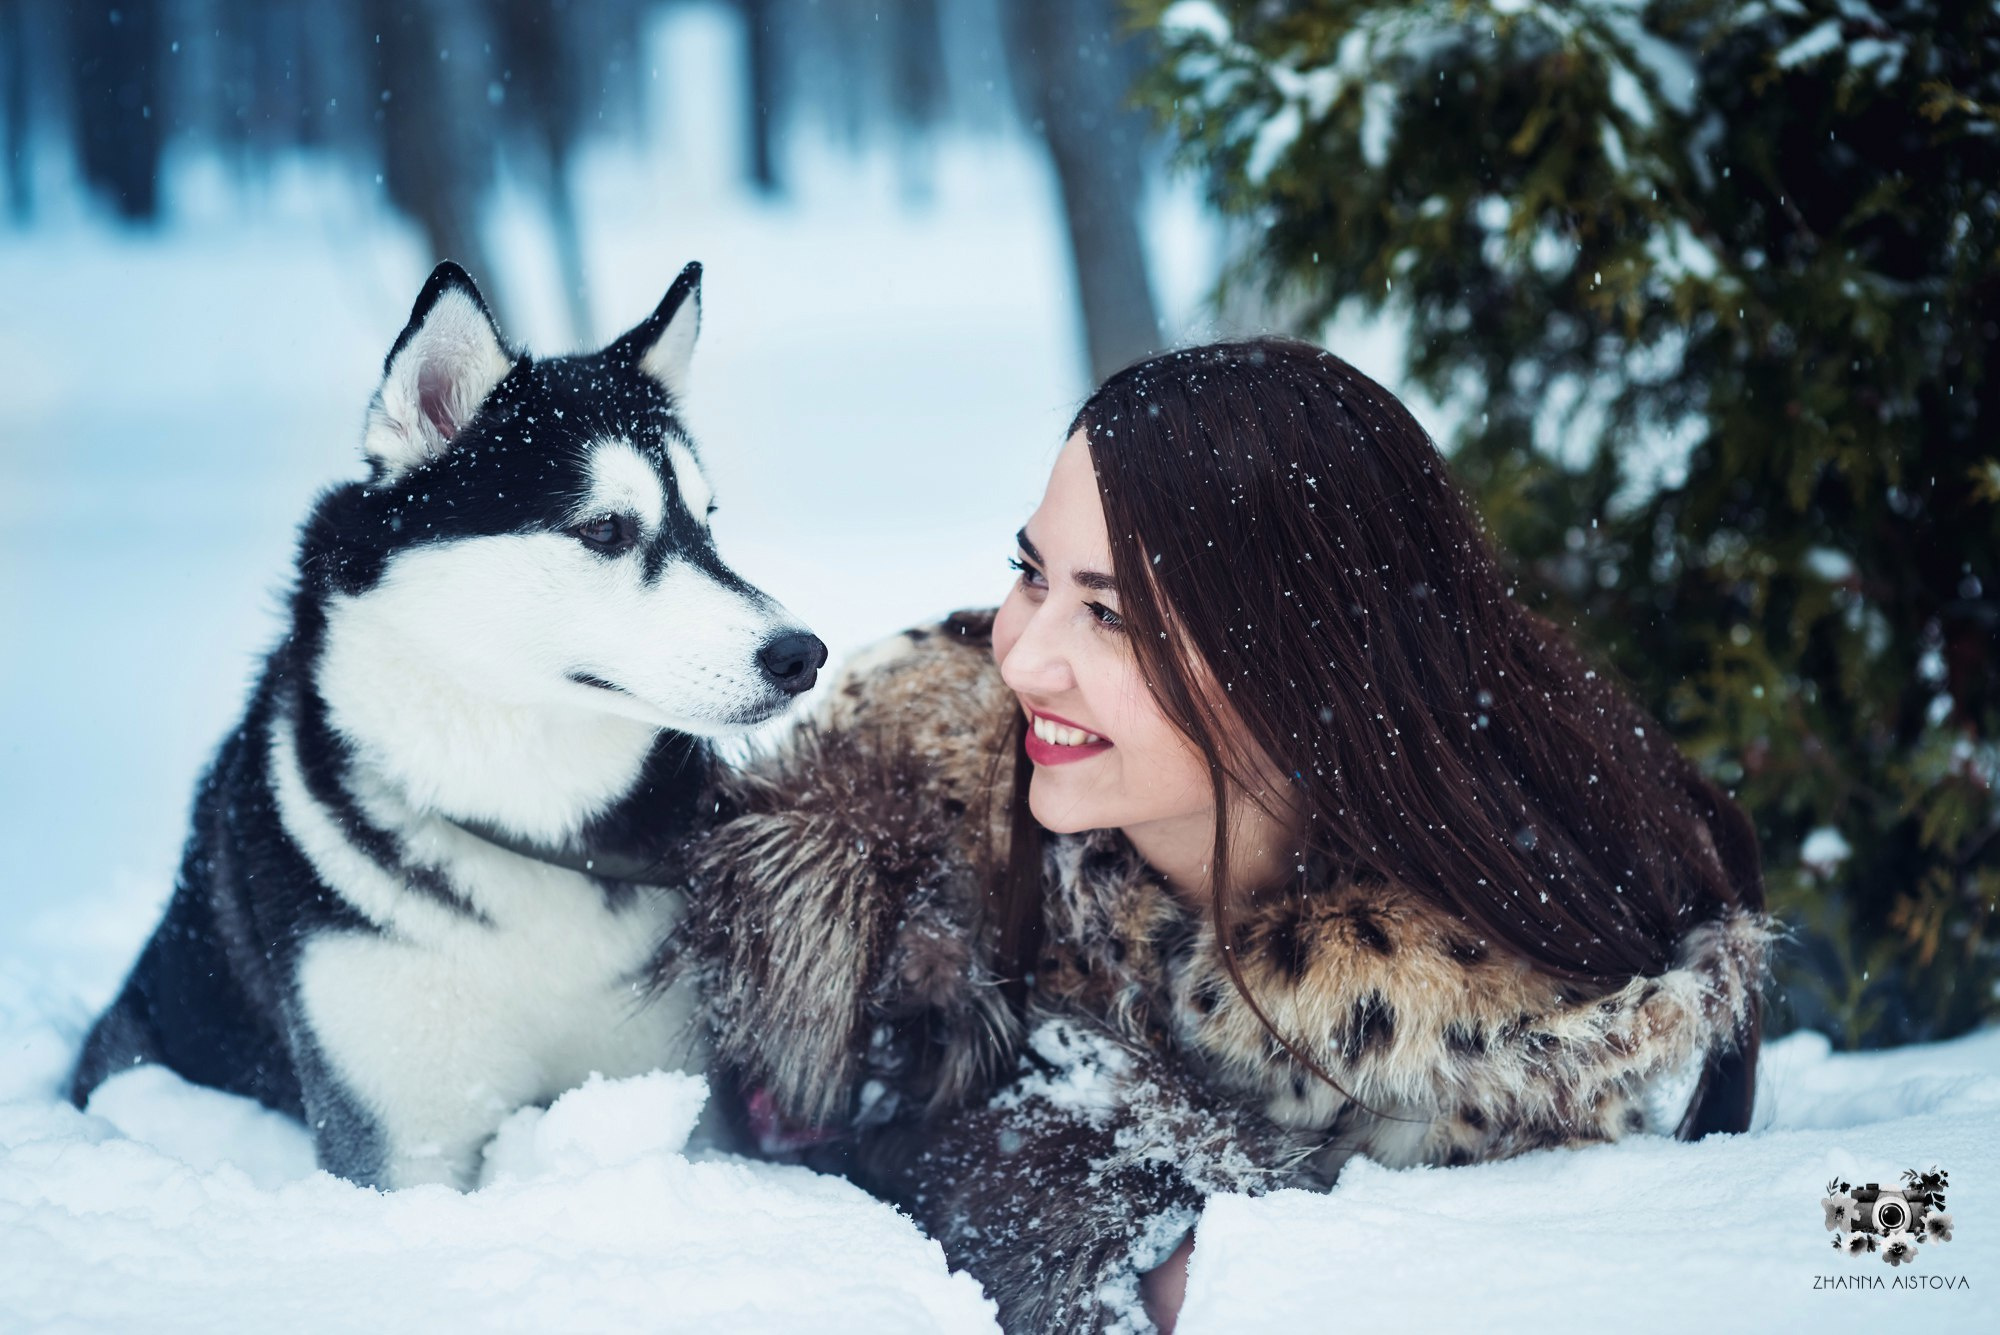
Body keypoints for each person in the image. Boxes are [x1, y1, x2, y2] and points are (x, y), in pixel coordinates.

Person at [673, 339, 1774, 1333]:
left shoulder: (1482, 1041)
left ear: (1305, 668)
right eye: (1030, 575)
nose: (1023, 658)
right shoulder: (893, 796)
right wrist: (1102, 1229)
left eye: (1110, 617)